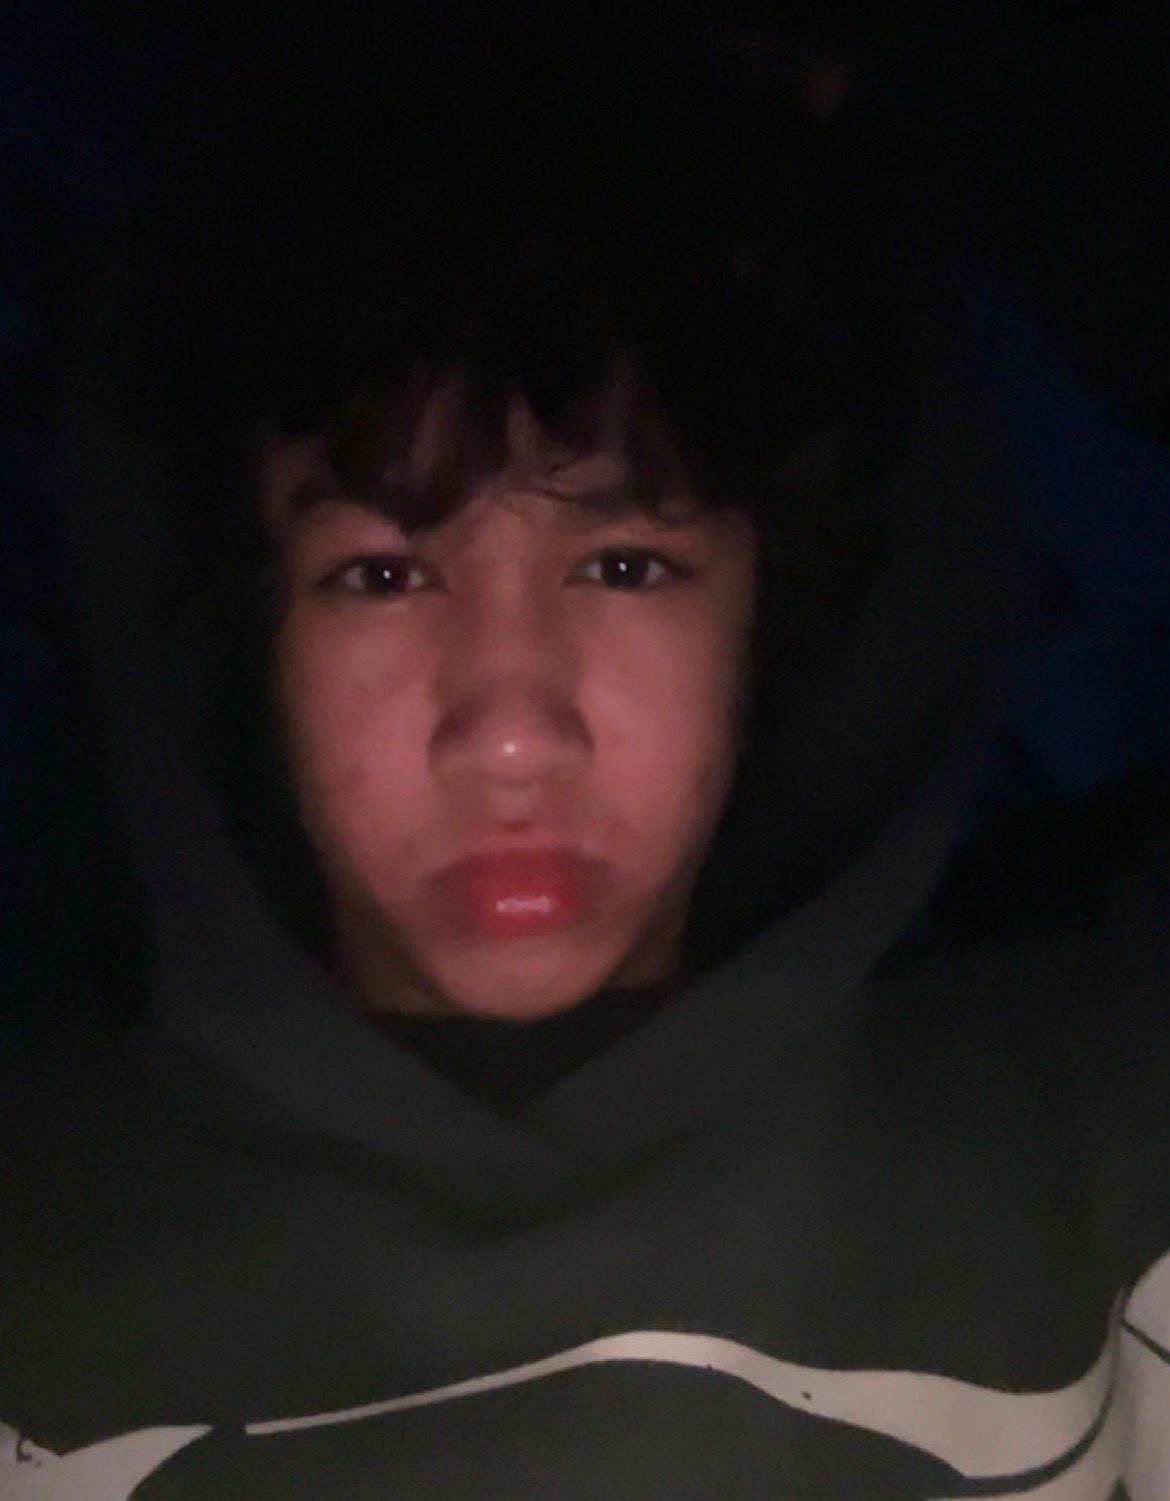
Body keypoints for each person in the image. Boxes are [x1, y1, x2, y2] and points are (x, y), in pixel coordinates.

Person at [2, 26, 1167, 1498]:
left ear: (771, 618)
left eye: (623, 564)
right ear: (249, 639)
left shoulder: (1094, 1126)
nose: (508, 733)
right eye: (380, 576)